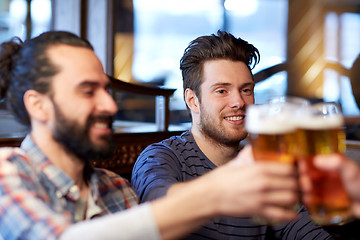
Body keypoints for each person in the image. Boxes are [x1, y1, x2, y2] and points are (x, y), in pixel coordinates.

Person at [0, 31, 301, 240]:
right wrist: (219, 191)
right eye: (88, 91)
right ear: (37, 105)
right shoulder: (7, 174)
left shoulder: (116, 189)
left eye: (106, 90)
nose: (110, 104)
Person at [131, 31, 332, 239]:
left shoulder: (262, 162)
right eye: (221, 91)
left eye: (246, 90)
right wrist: (224, 187)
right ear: (192, 101)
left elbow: (303, 231)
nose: (239, 102)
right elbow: (156, 214)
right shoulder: (161, 157)